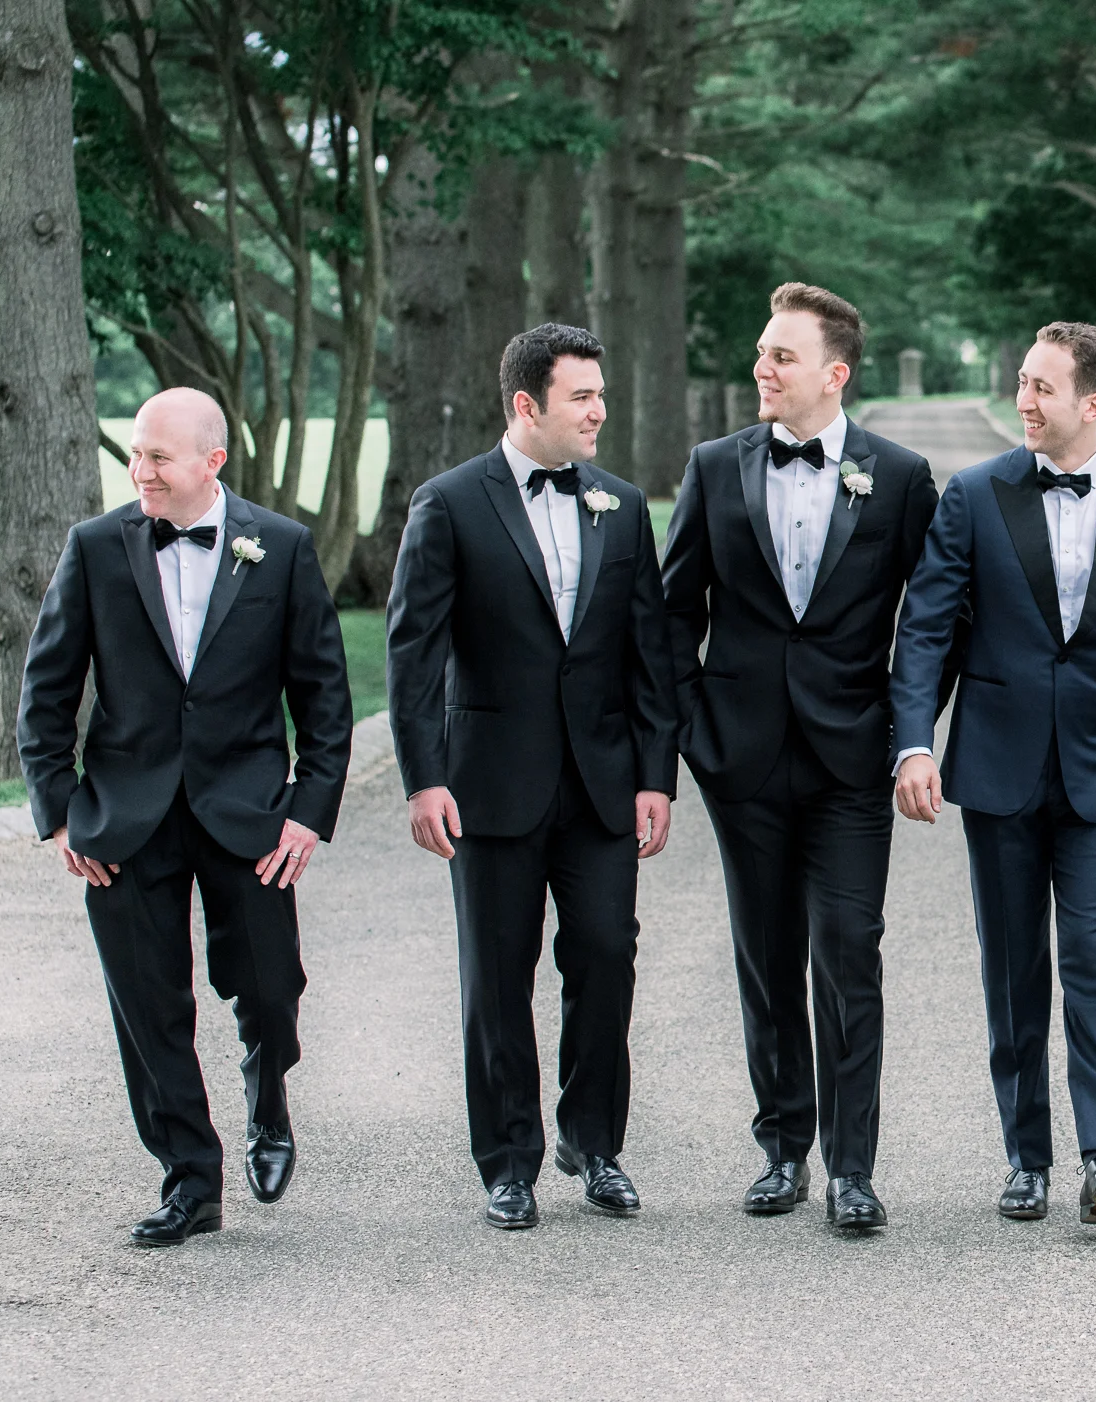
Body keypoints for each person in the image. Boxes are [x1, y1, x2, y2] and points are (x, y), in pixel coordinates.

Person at [17, 387, 352, 1246]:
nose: (140, 470)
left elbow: (323, 696)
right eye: (135, 453)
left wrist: (308, 813)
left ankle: (267, 1098)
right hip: (124, 818)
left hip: (247, 811)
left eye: (158, 457)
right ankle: (190, 1180)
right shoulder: (95, 547)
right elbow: (46, 692)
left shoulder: (281, 547)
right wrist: (59, 815)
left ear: (213, 461)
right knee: (148, 1007)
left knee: (271, 989)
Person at [889, 321, 1096, 1227]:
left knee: (1094, 959)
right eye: (1023, 382)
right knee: (1014, 967)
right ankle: (1027, 1157)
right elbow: (926, 628)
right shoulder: (975, 495)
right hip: (998, 768)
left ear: (1092, 403)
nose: (1024, 400)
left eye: (1042, 387)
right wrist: (914, 743)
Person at [385, 323, 676, 1231]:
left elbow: (649, 655)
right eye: (581, 396)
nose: (599, 411)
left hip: (601, 785)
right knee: (496, 976)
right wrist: (423, 779)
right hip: (488, 784)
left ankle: (597, 1145)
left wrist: (655, 776)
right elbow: (411, 654)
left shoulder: (623, 506)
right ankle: (508, 1163)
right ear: (526, 403)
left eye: (600, 394)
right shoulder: (448, 504)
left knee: (606, 956)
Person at [661, 284, 938, 1231]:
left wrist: (909, 733)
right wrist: (694, 730)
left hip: (850, 761)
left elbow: (932, 622)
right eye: (762, 352)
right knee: (767, 956)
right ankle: (783, 1149)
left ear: (835, 373)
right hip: (739, 759)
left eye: (782, 355)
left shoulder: (899, 477)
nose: (763, 368)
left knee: (849, 952)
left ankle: (853, 1168)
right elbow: (672, 614)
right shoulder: (713, 467)